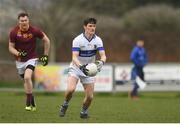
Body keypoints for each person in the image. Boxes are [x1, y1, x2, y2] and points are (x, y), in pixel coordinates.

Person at [59, 17, 106, 118]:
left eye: (94, 26)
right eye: (90, 26)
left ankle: (83, 112)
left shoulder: (98, 40)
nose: (92, 28)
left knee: (90, 97)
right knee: (71, 89)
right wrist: (81, 66)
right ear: (85, 27)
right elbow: (74, 57)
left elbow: (103, 55)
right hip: (76, 67)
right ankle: (65, 104)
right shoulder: (77, 40)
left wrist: (102, 62)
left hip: (89, 70)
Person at [8, 12, 50, 111]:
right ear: (19, 22)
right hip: (19, 61)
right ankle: (32, 99)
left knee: (27, 77)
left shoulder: (34, 30)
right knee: (26, 82)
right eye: (22, 21)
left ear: (28, 21)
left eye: (25, 20)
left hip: (32, 58)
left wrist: (45, 56)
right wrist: (18, 53)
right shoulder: (13, 32)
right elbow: (10, 47)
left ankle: (28, 101)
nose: (24, 22)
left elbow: (47, 40)